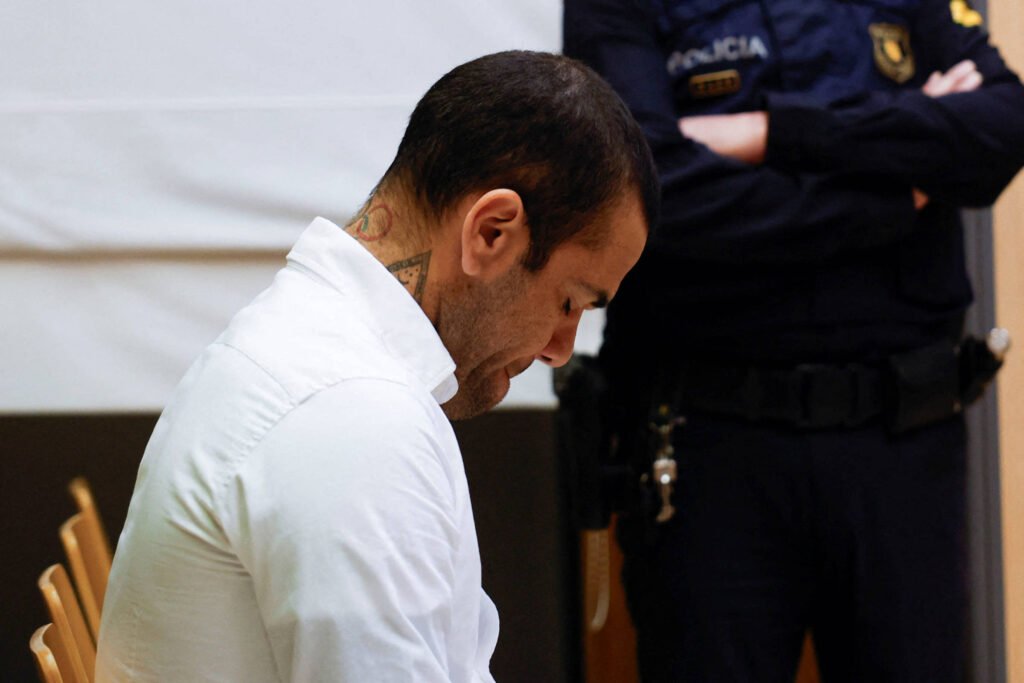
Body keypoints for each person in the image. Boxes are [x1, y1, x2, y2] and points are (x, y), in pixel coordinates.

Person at [95, 50, 657, 683]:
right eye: (570, 301)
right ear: (491, 232)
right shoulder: (352, 413)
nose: (561, 347)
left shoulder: (316, 352)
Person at [564, 1, 1024, 681]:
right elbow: (648, 187)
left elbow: (999, 128)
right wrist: (895, 188)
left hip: (902, 443)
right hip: (708, 448)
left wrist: (769, 131)